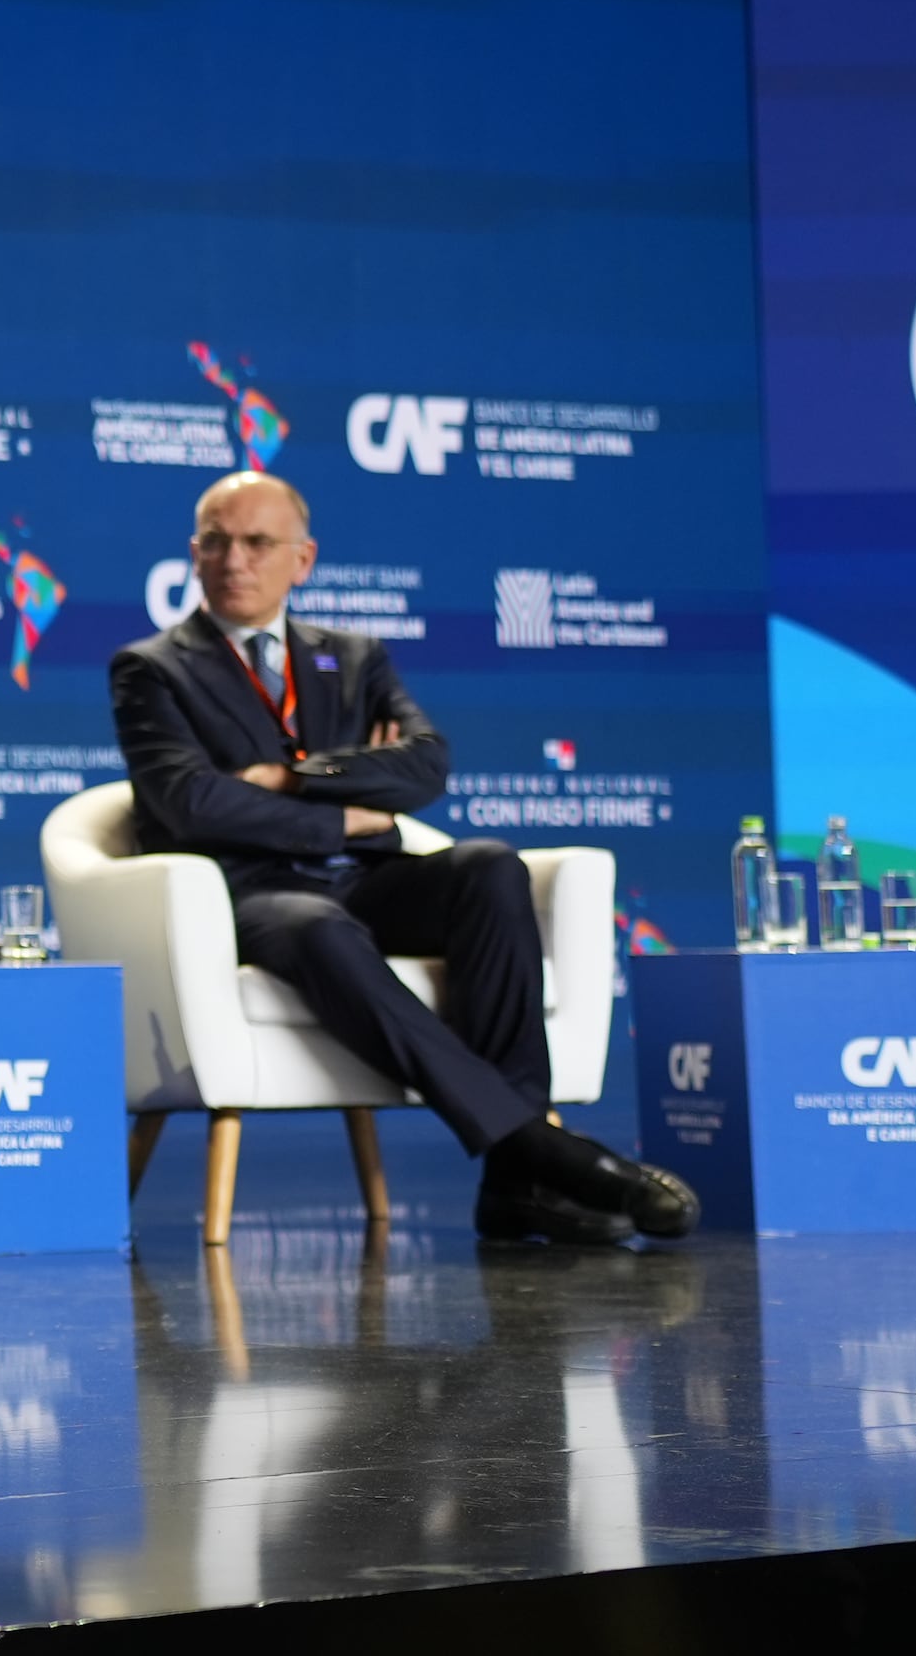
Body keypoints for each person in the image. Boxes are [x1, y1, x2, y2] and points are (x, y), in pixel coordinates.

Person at [110, 470, 695, 1246]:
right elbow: (193, 804)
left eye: (257, 542)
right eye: (216, 542)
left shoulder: (354, 658)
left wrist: (293, 776)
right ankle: (536, 1149)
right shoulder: (152, 667)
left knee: (488, 866)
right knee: (319, 925)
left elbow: (425, 767)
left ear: (303, 558)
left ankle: (517, 1184)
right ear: (193, 553)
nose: (235, 560)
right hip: (245, 895)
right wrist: (346, 813)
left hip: (364, 881)